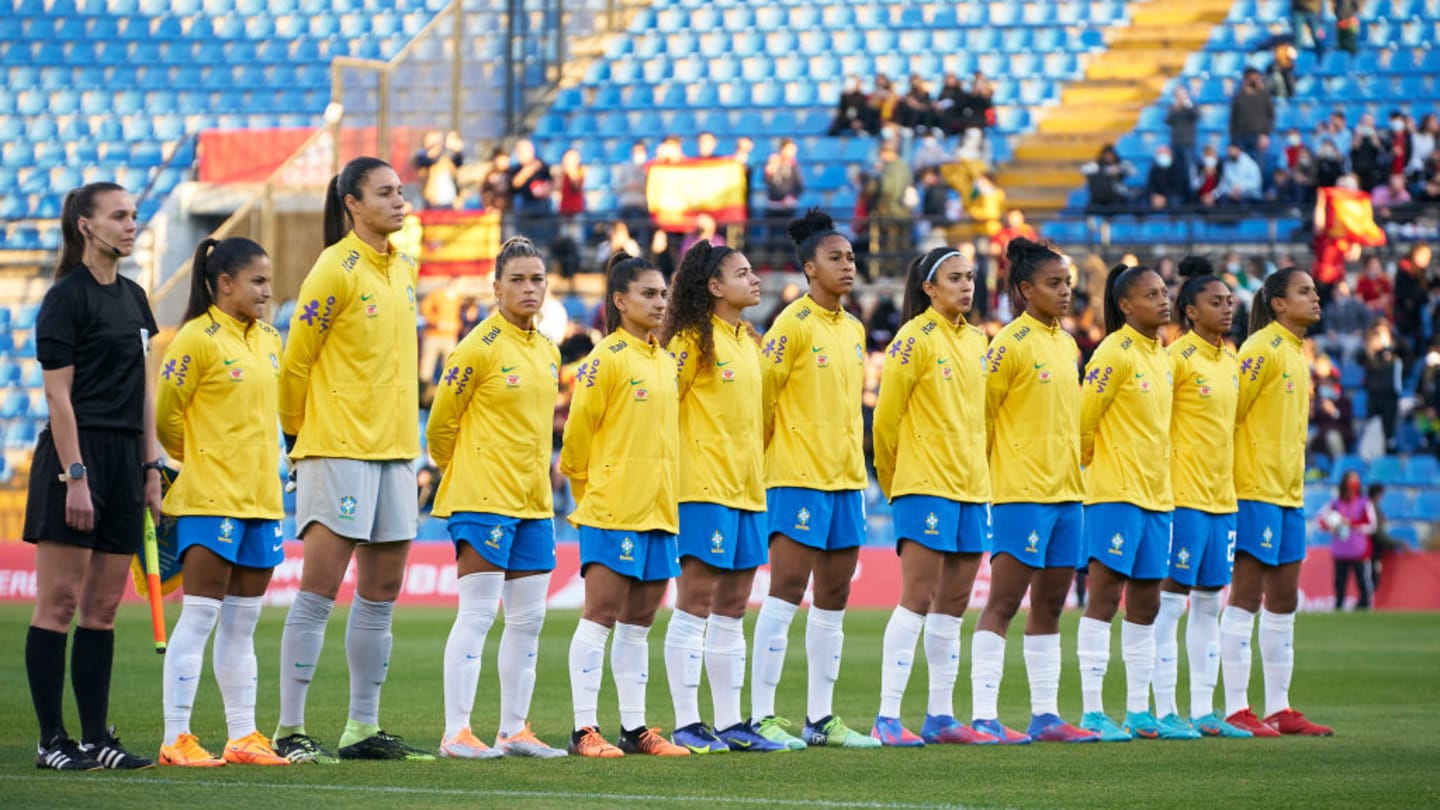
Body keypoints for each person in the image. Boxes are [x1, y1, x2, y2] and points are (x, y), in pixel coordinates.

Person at [274, 157, 431, 763]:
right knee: (320, 589)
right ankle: (290, 730)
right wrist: (297, 440)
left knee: (382, 591)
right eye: (385, 193)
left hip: (395, 449)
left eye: (401, 191)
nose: (400, 201)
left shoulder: (404, 269)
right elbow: (296, 365)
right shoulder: (332, 270)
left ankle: (361, 728)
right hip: (337, 447)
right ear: (352, 204)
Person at [25, 182, 160, 771]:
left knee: (102, 609)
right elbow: (59, 398)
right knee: (58, 603)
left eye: (133, 215)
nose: (131, 224)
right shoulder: (65, 298)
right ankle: (51, 739)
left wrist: (151, 465)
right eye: (119, 216)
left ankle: (96, 738)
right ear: (85, 225)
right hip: (74, 457)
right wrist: (75, 476)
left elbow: (145, 391)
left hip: (127, 460)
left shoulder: (135, 297)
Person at [427, 237, 567, 760]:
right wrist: (469, 473)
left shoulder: (548, 350)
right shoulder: (477, 347)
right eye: (518, 280)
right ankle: (456, 733)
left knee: (528, 621)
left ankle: (514, 730)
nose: (529, 288)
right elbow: (441, 428)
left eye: (537, 279)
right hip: (483, 498)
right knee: (479, 615)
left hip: (533, 503)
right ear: (496, 287)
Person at [153, 237, 289, 767]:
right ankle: (176, 738)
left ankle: (241, 736)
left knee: (242, 625)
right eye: (257, 281)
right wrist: (208, 459)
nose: (267, 291)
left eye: (269, 280)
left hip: (262, 499)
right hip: (211, 498)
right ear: (225, 283)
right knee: (201, 618)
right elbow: (168, 420)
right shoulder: (195, 339)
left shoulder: (270, 339)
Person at [748, 209, 879, 750]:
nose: (847, 266)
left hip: (846, 480)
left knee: (833, 597)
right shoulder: (790, 326)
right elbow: (761, 399)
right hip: (797, 476)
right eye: (835, 258)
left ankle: (820, 719)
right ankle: (760, 717)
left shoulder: (854, 329)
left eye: (850, 258)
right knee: (784, 592)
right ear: (809, 268)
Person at [658, 241, 785, 753]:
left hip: (747, 491)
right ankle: (688, 722)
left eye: (754, 272)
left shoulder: (749, 342)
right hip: (701, 488)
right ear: (714, 287)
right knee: (695, 604)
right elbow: (661, 409)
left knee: (734, 607)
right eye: (743, 273)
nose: (755, 280)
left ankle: (732, 724)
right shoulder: (690, 342)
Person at [560, 253, 689, 758]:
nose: (660, 303)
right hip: (612, 509)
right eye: (649, 295)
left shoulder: (664, 359)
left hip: (659, 510)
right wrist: (590, 497)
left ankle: (634, 731)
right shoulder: (605, 359)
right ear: (620, 301)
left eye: (663, 295)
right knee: (600, 617)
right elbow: (575, 439)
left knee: (640, 623)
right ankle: (582, 730)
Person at [970, 237, 1098, 745]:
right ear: (1025, 290)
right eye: (1053, 283)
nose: (1065, 292)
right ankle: (983, 715)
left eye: (1067, 282)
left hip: (1068, 495)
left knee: (1050, 606)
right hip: (1021, 493)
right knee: (1002, 603)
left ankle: (1045, 714)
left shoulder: (1066, 343)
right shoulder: (1008, 345)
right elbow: (980, 419)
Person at [869, 248, 995, 747]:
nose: (967, 287)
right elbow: (885, 420)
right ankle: (886, 717)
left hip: (970, 486)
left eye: (970, 278)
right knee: (918, 597)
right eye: (955, 278)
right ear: (928, 287)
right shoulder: (913, 340)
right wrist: (894, 477)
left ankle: (940, 716)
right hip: (923, 485)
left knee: (954, 604)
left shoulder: (975, 339)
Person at [1220, 268, 1334, 737]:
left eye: (1315, 289)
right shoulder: (1261, 349)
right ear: (1279, 303)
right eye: (1305, 291)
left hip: (1289, 492)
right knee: (1246, 595)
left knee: (1284, 599)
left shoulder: (1295, 351)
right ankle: (1233, 707)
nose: (1316, 297)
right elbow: (1229, 416)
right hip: (1254, 489)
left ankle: (1279, 707)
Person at [1072, 264, 1184, 742]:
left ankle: (1139, 710)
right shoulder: (1112, 353)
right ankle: (1094, 711)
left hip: (1158, 497)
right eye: (1152, 294)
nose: (1164, 301)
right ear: (1125, 306)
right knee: (1102, 601)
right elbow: (1082, 421)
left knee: (1146, 605)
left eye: (1165, 292)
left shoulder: (1160, 354)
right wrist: (1096, 474)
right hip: (1115, 495)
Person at [1149, 258, 1253, 739]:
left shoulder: (1232, 361)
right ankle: (1166, 709)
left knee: (1210, 605)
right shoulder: (1176, 360)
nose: (1228, 308)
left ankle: (1205, 711)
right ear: (1190, 311)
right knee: (1171, 605)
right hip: (1184, 498)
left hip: (1222, 500)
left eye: (1230, 301)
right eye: (1217, 302)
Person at [1321, 471, 1375, 610]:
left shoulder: (1365, 503)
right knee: (1339, 582)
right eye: (1351, 479)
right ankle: (1338, 606)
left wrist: (1352, 523)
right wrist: (1329, 526)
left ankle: (1365, 606)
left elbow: (1372, 525)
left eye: (1356, 480)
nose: (1353, 483)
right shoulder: (1335, 503)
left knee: (1362, 581)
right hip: (1340, 550)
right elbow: (1320, 519)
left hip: (1359, 550)